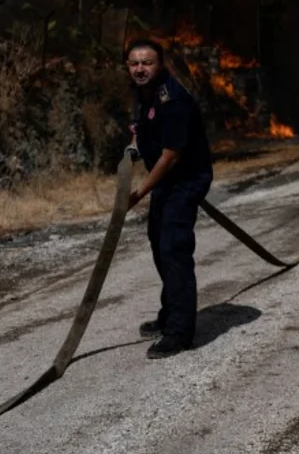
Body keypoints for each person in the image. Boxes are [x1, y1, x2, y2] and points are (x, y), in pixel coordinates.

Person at [125, 38, 214, 359]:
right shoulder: (143, 93)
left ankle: (179, 332)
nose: (139, 69)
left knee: (173, 247)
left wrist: (137, 194)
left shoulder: (172, 100)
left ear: (160, 65)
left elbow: (170, 157)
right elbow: (140, 126)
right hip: (166, 180)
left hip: (186, 180)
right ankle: (170, 312)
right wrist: (133, 146)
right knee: (157, 242)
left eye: (146, 63)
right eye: (134, 63)